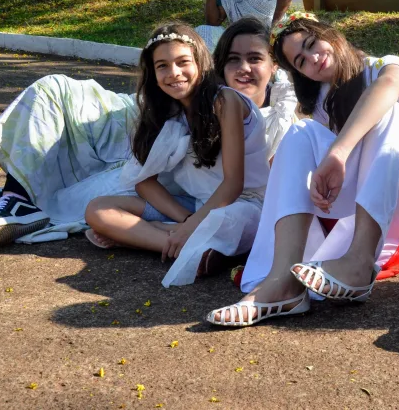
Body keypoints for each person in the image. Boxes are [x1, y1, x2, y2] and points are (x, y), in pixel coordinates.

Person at [207, 12, 399, 327]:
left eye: (312, 44)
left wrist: (338, 153)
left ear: (331, 34)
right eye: (301, 62)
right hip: (361, 212)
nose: (313, 58)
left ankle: (359, 261)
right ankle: (283, 282)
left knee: (386, 109)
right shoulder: (323, 103)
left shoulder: (384, 67)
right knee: (300, 132)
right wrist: (314, 188)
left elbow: (388, 86)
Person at [0, 20, 297, 248]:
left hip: (213, 203)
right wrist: (187, 220)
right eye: (232, 60)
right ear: (217, 66)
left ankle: (34, 196)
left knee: (104, 199)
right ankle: (22, 191)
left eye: (255, 59)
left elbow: (251, 186)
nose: (243, 68)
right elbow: (144, 177)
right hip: (182, 191)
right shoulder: (175, 107)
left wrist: (186, 224)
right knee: (53, 89)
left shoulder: (269, 114)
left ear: (275, 67)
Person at [84, 22, 270, 285]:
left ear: (200, 63)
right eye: (162, 66)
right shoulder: (165, 112)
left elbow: (233, 185)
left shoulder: (225, 101)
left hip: (242, 206)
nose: (174, 73)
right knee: (98, 209)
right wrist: (187, 221)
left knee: (228, 221)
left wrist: (191, 226)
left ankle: (148, 239)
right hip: (196, 207)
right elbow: (144, 182)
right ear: (153, 73)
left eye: (183, 62)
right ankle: (185, 247)